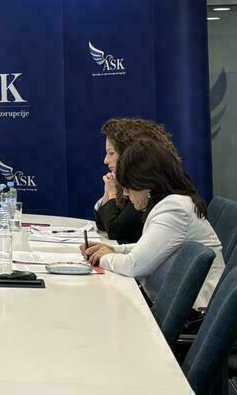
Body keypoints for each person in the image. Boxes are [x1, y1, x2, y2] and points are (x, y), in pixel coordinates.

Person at [82, 139, 224, 308]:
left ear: (147, 185)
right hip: (178, 305)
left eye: (128, 187)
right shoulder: (173, 203)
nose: (126, 194)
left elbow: (134, 266)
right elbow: (148, 248)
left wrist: (103, 258)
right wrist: (113, 250)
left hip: (194, 310)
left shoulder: (174, 210)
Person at [93, 118, 178, 242]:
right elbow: (102, 224)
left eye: (111, 153)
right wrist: (108, 195)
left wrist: (111, 194)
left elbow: (116, 230)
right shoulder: (126, 181)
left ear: (130, 153)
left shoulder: (149, 185)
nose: (105, 160)